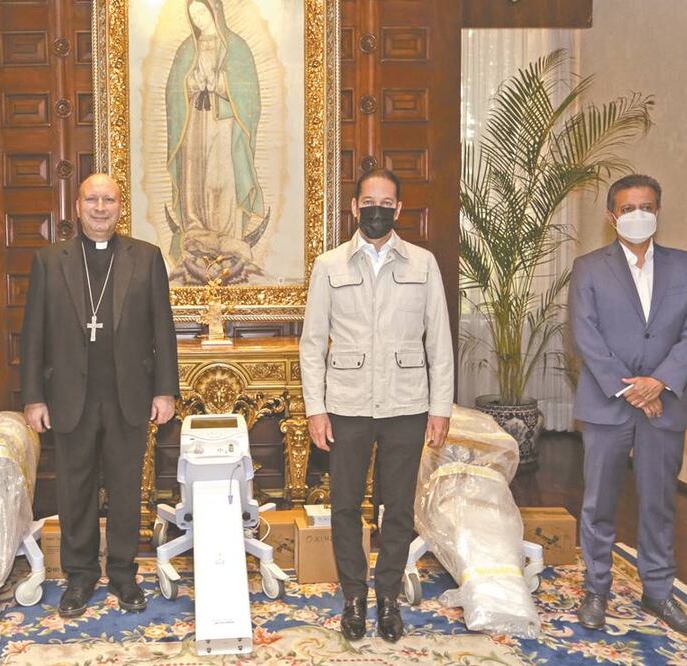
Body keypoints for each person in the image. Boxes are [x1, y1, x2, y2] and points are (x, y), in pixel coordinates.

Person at [299, 168, 454, 643]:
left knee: (398, 508)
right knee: (345, 504)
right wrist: (315, 408)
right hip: (346, 404)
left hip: (407, 403)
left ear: (399, 210)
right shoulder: (329, 265)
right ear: (354, 207)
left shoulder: (423, 264)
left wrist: (441, 407)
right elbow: (312, 343)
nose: (377, 210)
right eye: (369, 201)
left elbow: (440, 342)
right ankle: (352, 596)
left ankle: (387, 596)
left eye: (386, 203)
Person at [21, 173, 179, 617]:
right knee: (75, 489)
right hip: (70, 396)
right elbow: (33, 335)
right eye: (92, 199)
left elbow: (162, 330)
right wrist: (34, 397)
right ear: (77, 206)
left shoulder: (145, 258)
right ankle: (80, 575)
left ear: (119, 207)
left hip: (129, 393)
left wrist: (165, 390)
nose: (100, 207)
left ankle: (126, 575)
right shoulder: (50, 260)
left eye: (109, 199)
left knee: (128, 488)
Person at [569, 174, 687, 639]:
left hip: (664, 405)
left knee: (659, 502)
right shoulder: (589, 268)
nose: (637, 215)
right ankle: (596, 589)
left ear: (659, 211)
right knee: (599, 503)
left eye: (646, 206)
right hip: (608, 404)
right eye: (628, 208)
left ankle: (658, 590)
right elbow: (585, 334)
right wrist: (630, 388)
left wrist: (660, 382)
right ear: (612, 216)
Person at [164, 0, 268, 284]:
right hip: (194, 125)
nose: (198, 18)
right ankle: (196, 231)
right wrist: (191, 83)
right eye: (193, 14)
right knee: (195, 179)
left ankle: (225, 235)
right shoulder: (187, 49)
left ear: (215, 11)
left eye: (202, 11)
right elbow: (173, 92)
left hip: (224, 126)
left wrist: (221, 83)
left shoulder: (237, 48)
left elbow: (250, 97)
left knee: (221, 179)